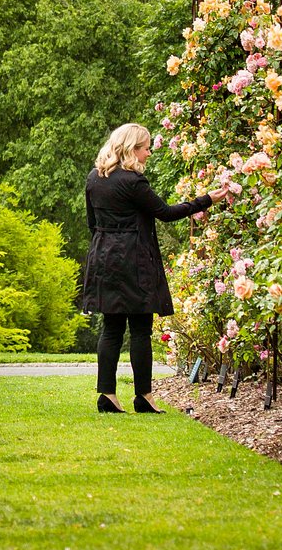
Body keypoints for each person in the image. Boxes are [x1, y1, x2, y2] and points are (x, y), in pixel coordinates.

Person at [82, 122, 226, 414]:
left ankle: (106, 395)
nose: (148, 153)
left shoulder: (94, 178)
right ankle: (143, 397)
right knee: (140, 329)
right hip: (133, 261)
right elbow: (166, 213)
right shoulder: (133, 182)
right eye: (145, 148)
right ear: (132, 149)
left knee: (110, 328)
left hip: (103, 259)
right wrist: (206, 200)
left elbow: (91, 222)